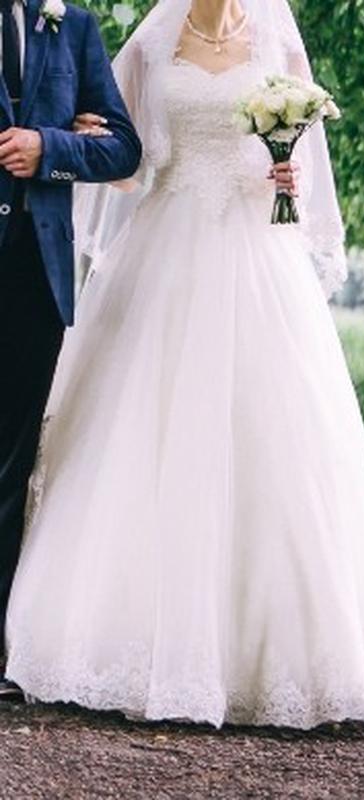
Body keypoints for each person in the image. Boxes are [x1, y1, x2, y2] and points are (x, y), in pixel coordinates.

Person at [5, 0, 364, 730]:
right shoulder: (151, 44)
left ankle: (278, 650)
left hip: (256, 251)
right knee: (138, 435)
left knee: (280, 440)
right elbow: (126, 163)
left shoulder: (276, 43)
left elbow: (298, 171)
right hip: (165, 248)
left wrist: (285, 178)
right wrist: (86, 143)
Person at [0, 0, 142, 701]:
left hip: (35, 277)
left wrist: (51, 148)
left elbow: (123, 148)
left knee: (10, 465)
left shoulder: (72, 24)